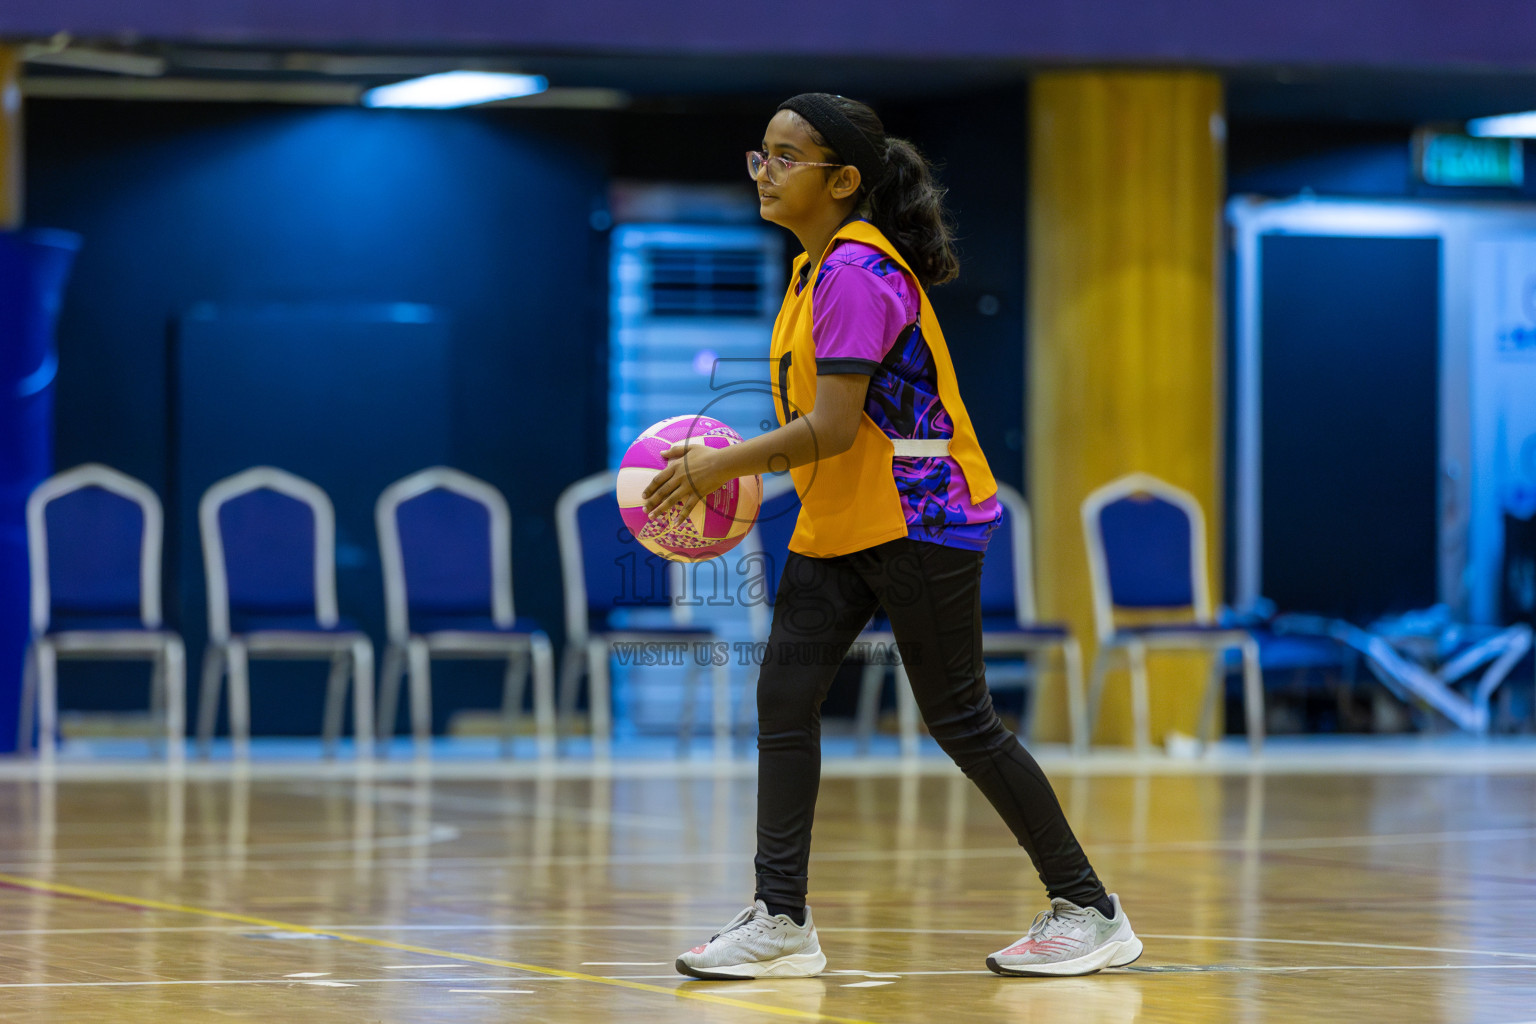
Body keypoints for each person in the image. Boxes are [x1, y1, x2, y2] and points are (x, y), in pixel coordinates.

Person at [642, 92, 1140, 980]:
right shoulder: (812, 270)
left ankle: (1089, 910)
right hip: (841, 515)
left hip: (924, 516)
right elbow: (832, 438)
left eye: (786, 157)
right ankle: (781, 920)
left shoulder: (859, 274)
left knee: (960, 719)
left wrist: (723, 466)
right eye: (761, 153)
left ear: (842, 180)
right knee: (785, 703)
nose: (766, 170)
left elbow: (832, 427)